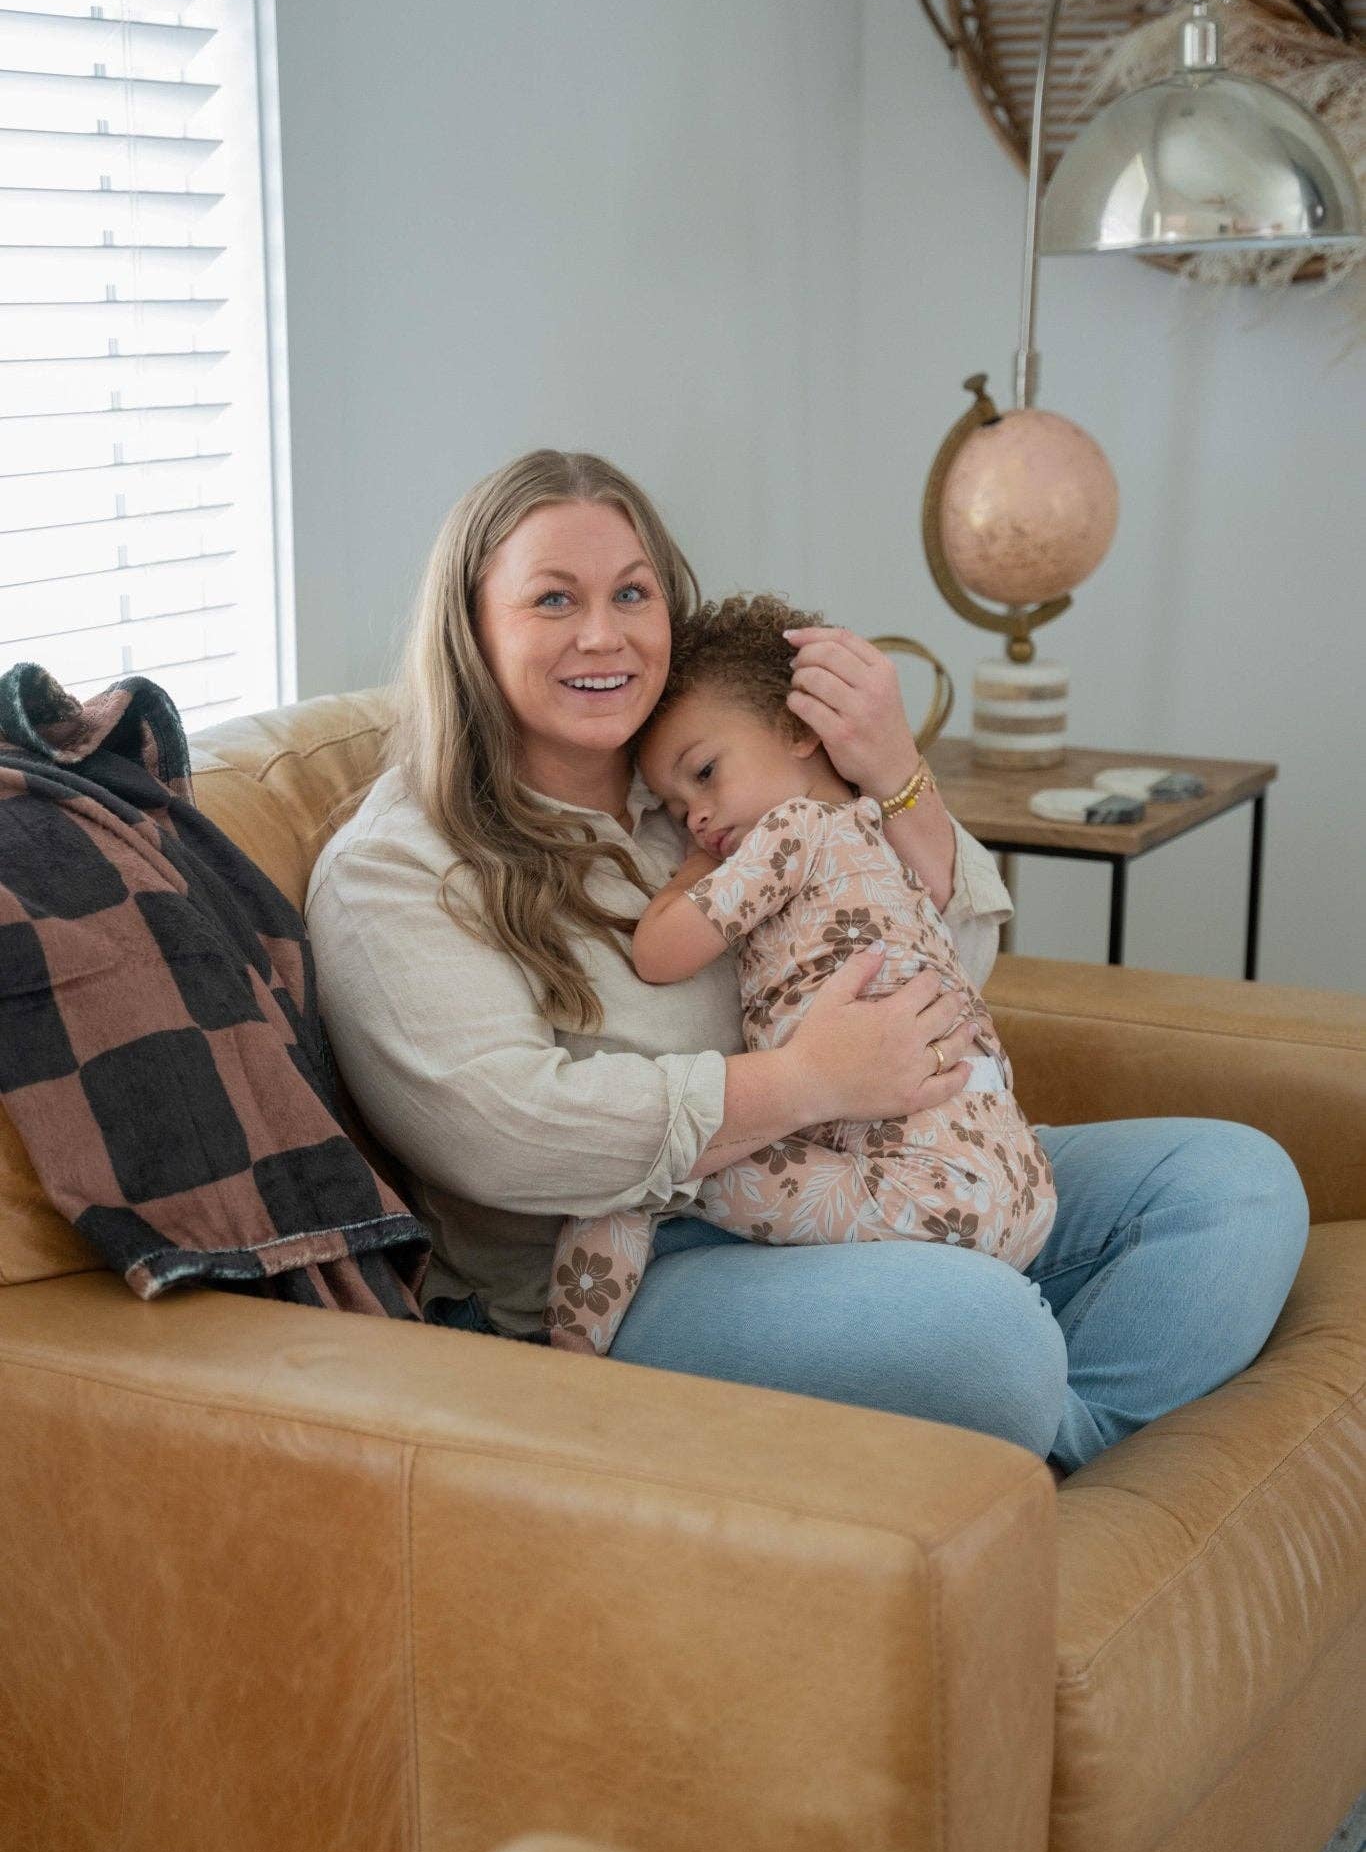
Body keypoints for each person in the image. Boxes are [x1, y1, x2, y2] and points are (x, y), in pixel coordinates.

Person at [305, 448, 1309, 1475]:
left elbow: (944, 969)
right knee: (992, 1337)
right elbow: (503, 1137)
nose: (602, 634)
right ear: (469, 627)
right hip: (647, 1260)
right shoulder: (398, 868)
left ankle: (1050, 1455)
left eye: (632, 593)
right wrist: (802, 1080)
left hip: (879, 1159)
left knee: (1235, 1181)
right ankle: (1016, 1416)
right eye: (552, 599)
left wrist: (896, 775)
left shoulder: (691, 778)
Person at [543, 594, 1056, 1355]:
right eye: (678, 810)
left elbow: (660, 953)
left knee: (638, 1186)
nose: (698, 820)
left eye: (706, 775)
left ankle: (563, 1369)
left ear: (799, 731)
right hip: (1016, 1184)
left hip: (910, 1185)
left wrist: (690, 870)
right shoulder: (879, 836)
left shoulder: (792, 833)